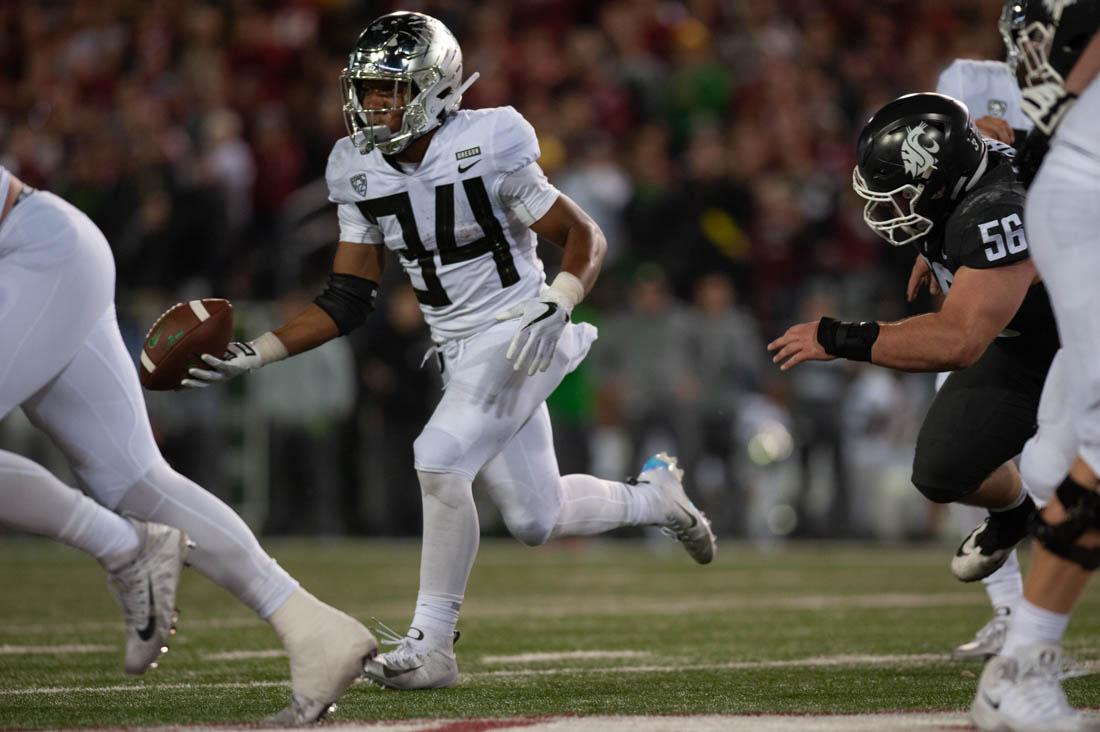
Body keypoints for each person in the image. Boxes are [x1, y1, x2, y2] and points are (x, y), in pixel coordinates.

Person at [184, 10, 716, 691]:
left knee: (437, 458)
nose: (373, 104)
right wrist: (255, 351)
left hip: (525, 328)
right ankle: (658, 499)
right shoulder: (356, 166)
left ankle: (433, 643)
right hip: (460, 350)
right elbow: (348, 297)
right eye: (367, 89)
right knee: (534, 516)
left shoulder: (490, 138)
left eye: (389, 90)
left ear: (435, 89)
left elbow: (585, 238)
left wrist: (559, 300)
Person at [0, 168, 375, 725]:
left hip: (32, 252)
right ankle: (313, 628)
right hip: (48, 251)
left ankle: (123, 545)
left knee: (131, 483)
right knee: (135, 480)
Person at [768, 93, 1058, 589]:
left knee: (1078, 497)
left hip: (1079, 348)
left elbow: (958, 342)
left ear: (940, 182)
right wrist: (949, 255)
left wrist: (840, 337)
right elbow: (984, 139)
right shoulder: (972, 161)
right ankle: (1015, 515)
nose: (892, 207)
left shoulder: (997, 212)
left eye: (903, 193)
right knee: (943, 470)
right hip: (1023, 340)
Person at [970, 2, 1100, 730]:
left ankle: (1023, 660)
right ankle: (1020, 665)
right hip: (1087, 193)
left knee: (1058, 460)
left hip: (1079, 186)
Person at [934, 55, 1035, 660]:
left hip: (1063, 294)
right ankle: (1015, 614)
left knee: (1064, 462)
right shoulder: (967, 80)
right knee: (955, 462)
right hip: (985, 300)